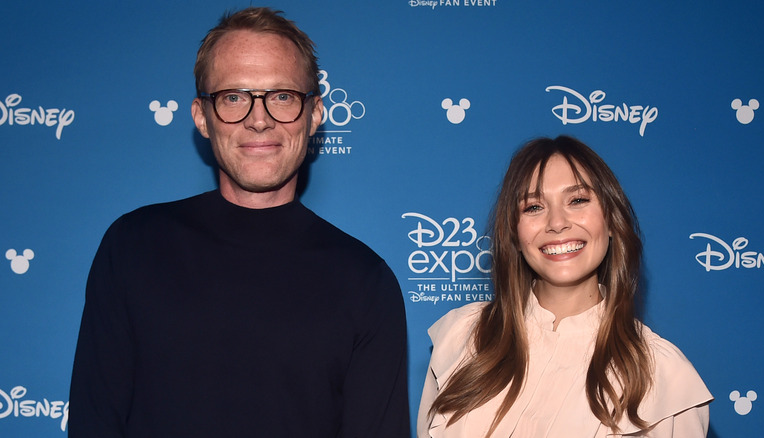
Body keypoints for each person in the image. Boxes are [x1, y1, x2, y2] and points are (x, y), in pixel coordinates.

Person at [69, 7, 409, 437]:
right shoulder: (133, 246)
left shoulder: (366, 281)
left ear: (315, 113)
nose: (259, 117)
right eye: (234, 97)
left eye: (282, 96)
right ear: (201, 117)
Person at [417, 136, 712, 437]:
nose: (556, 223)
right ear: (514, 235)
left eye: (578, 200)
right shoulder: (462, 336)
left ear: (611, 220)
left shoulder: (663, 375)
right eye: (533, 207)